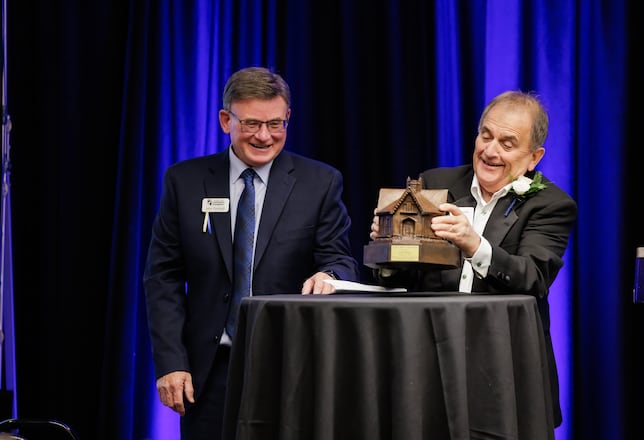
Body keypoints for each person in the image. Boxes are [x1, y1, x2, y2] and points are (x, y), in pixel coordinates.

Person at [143, 66, 359, 439]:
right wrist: (171, 363)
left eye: (275, 124)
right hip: (208, 376)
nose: (264, 136)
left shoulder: (320, 183)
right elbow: (162, 277)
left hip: (292, 369)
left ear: (288, 117)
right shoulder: (185, 181)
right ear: (226, 119)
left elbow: (340, 260)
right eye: (252, 124)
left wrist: (331, 277)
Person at [370, 90, 576, 428]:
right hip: (428, 359)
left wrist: (473, 244)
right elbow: (402, 279)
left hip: (504, 364)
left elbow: (533, 276)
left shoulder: (550, 204)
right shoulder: (436, 184)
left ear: (534, 157)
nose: (490, 151)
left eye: (507, 144)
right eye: (486, 136)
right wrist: (388, 249)